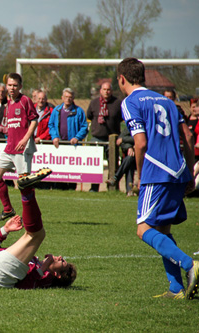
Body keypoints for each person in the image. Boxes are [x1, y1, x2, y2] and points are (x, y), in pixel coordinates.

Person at [117, 57, 199, 300]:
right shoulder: (168, 101)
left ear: (122, 79)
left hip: (156, 172)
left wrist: (141, 176)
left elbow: (140, 143)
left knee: (143, 229)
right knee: (163, 229)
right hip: (178, 171)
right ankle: (176, 289)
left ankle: (189, 264)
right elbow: (188, 138)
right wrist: (190, 171)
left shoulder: (130, 101)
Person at [0, 145, 77, 289]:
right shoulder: (32, 259)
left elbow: (26, 284)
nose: (60, 257)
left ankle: (26, 191)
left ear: (58, 275)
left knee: (37, 235)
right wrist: (5, 230)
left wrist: (44, 268)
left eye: (63, 262)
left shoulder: (46, 279)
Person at [0, 73, 51, 220]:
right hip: (9, 147)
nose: (12, 88)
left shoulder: (25, 100)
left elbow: (34, 121)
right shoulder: (9, 103)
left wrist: (25, 139)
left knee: (24, 185)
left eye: (15, 85)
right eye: (10, 85)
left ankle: (33, 215)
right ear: (6, 86)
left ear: (20, 86)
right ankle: (8, 209)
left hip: (22, 148)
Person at [48, 88, 88, 190]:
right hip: (59, 145)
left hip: (72, 146)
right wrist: (54, 137)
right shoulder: (56, 110)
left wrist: (77, 137)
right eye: (66, 97)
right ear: (62, 97)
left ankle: (71, 188)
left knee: (72, 171)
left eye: (70, 97)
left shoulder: (79, 111)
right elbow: (51, 125)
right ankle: (59, 188)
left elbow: (84, 127)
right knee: (59, 170)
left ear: (73, 98)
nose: (68, 99)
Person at [86, 82, 123, 192]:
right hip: (96, 137)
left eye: (108, 89)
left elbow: (122, 118)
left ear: (111, 91)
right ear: (100, 90)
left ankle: (111, 187)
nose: (106, 91)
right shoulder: (94, 103)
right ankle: (94, 188)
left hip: (112, 138)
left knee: (113, 164)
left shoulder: (117, 103)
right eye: (104, 89)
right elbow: (89, 116)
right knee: (95, 165)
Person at [106, 124, 136, 196]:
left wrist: (124, 139)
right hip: (132, 157)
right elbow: (119, 140)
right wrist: (129, 147)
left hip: (143, 156)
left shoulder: (145, 127)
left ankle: (116, 178)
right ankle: (129, 191)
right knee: (130, 159)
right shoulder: (129, 128)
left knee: (129, 158)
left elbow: (139, 139)